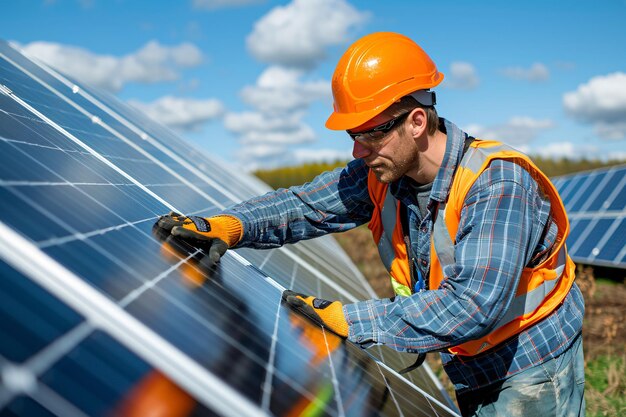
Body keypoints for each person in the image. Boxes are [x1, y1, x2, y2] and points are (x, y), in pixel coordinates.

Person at [156, 32, 585, 417]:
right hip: (468, 358)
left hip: (530, 367)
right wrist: (231, 225)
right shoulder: (382, 173)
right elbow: (303, 204)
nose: (360, 151)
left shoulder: (495, 183)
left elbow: (473, 304)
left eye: (371, 134)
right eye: (353, 137)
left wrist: (351, 321)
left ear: (416, 121)